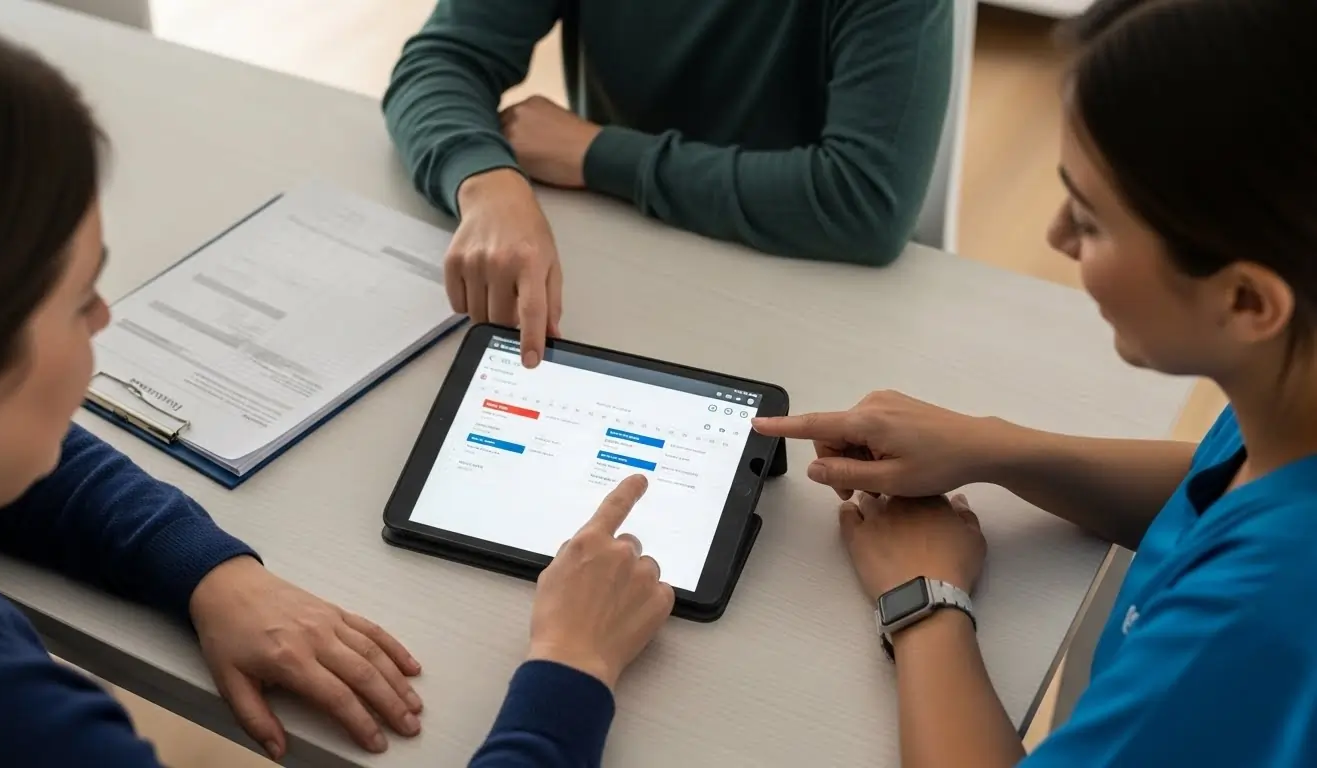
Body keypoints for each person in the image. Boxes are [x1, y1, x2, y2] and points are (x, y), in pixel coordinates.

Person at [469, 0, 1317, 765]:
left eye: (1090, 220)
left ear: (1246, 300)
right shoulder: (1287, 402)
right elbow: (1213, 486)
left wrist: (926, 602)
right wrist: (992, 448)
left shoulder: (1250, 621)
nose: (1055, 236)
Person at [0, 24, 425, 765]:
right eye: (80, 299)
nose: (105, 316)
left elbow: (0, 444)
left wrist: (200, 564)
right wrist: (567, 677)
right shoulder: (23, 727)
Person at [383, 0, 954, 368]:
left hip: (805, 306)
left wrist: (596, 153)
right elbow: (442, 61)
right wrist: (488, 184)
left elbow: (864, 199)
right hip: (618, 274)